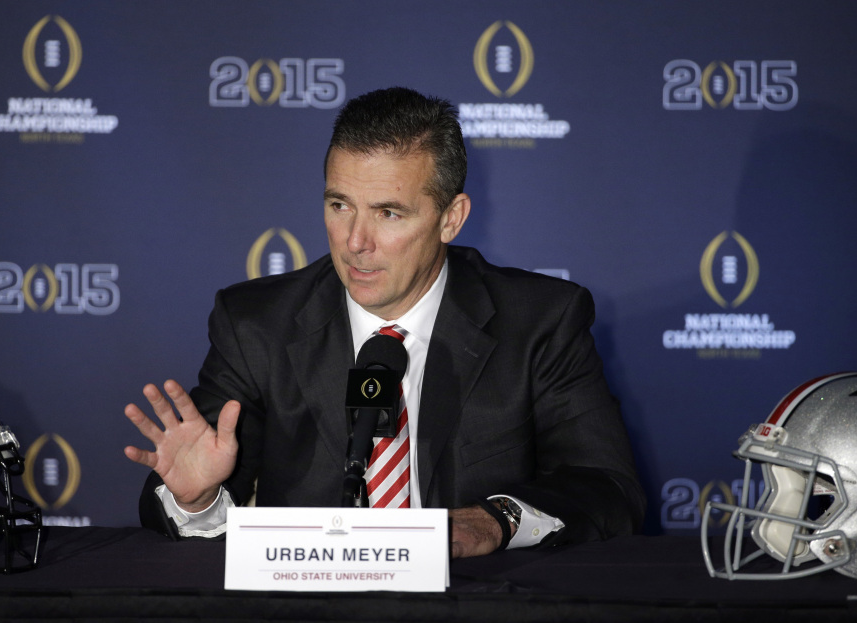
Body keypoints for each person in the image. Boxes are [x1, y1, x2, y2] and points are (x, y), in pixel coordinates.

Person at [124, 87, 645, 557]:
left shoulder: (539, 322)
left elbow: (608, 488)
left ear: (450, 218)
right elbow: (192, 486)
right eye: (339, 205)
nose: (355, 242)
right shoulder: (257, 324)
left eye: (389, 213)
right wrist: (200, 499)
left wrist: (496, 520)